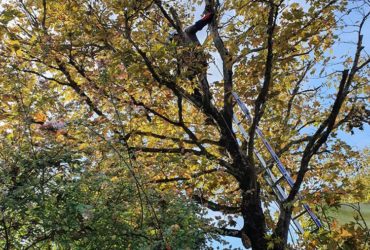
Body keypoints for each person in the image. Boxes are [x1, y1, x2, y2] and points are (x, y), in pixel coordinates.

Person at [168, 12, 214, 104]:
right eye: (172, 41)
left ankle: (206, 92)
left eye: (174, 39)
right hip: (191, 66)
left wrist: (207, 17)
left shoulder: (187, 32)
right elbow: (179, 63)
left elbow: (197, 25)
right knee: (188, 75)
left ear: (176, 34)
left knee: (202, 78)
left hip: (199, 58)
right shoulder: (177, 49)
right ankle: (197, 94)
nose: (175, 42)